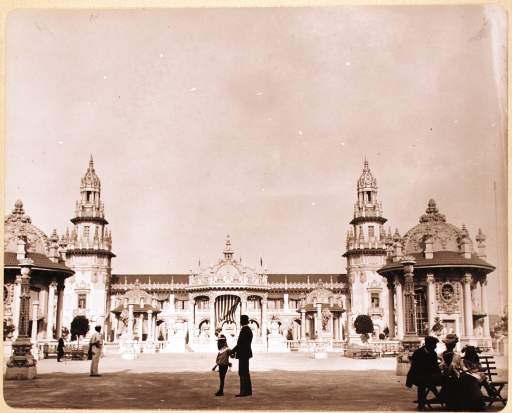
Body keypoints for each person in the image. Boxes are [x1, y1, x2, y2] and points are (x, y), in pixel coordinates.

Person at [406, 336, 443, 411]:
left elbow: (435, 366)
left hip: (427, 376)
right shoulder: (418, 353)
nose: (435, 346)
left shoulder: (433, 353)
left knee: (444, 379)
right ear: (428, 345)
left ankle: (440, 397)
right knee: (423, 383)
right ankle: (421, 405)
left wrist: (440, 374)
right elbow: (416, 369)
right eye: (434, 345)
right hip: (416, 376)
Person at [230, 315, 253, 397]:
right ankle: (248, 391)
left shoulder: (244, 330)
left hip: (243, 354)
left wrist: (232, 351)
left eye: (240, 320)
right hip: (246, 353)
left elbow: (240, 344)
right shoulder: (248, 329)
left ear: (243, 321)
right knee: (246, 372)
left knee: (242, 372)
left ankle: (243, 391)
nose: (239, 321)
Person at [438, 333, 462, 410]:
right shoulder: (442, 355)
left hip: (453, 376)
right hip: (444, 376)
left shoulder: (457, 356)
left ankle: (451, 401)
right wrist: (444, 364)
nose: (448, 346)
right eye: (447, 345)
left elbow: (458, 367)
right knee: (449, 379)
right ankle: (450, 401)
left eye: (450, 345)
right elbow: (439, 367)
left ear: (453, 346)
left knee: (454, 379)